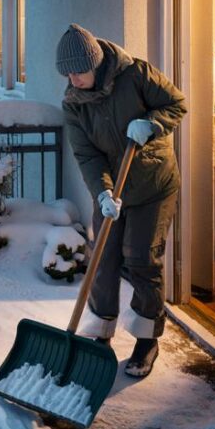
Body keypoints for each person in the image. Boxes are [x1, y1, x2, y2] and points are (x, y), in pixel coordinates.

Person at [57, 24, 187, 377]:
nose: (72, 78)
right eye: (67, 72)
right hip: (113, 188)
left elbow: (176, 103)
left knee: (143, 258)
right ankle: (101, 333)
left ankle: (147, 338)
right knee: (103, 257)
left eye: (78, 71)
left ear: (96, 63)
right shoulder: (73, 104)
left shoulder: (136, 74)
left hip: (152, 184)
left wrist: (152, 123)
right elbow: (87, 156)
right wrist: (102, 193)